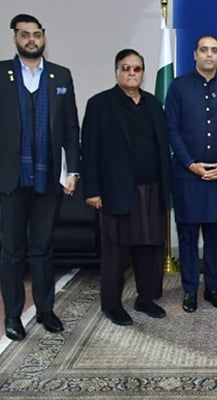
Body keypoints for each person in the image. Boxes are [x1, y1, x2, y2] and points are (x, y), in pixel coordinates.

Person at [0, 14, 79, 341]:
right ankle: (14, 316)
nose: (31, 40)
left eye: (36, 34)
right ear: (15, 38)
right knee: (12, 250)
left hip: (48, 178)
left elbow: (72, 128)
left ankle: (46, 310)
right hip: (11, 179)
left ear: (44, 37)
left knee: (43, 248)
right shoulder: (1, 74)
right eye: (24, 35)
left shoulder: (60, 75)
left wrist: (73, 169)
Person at [81, 49, 171, 326]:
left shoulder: (154, 105)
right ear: (117, 71)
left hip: (152, 189)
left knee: (150, 249)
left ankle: (145, 298)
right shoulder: (100, 104)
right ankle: (112, 305)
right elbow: (90, 150)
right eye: (126, 68)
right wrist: (92, 190)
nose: (132, 73)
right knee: (116, 253)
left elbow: (162, 148)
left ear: (143, 73)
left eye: (137, 69)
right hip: (116, 191)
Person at [165, 34, 217, 313]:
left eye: (214, 51)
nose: (209, 55)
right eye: (204, 50)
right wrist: (189, 164)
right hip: (188, 175)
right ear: (195, 55)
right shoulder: (178, 87)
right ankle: (189, 291)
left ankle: (212, 288)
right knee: (187, 237)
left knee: (214, 236)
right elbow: (171, 130)